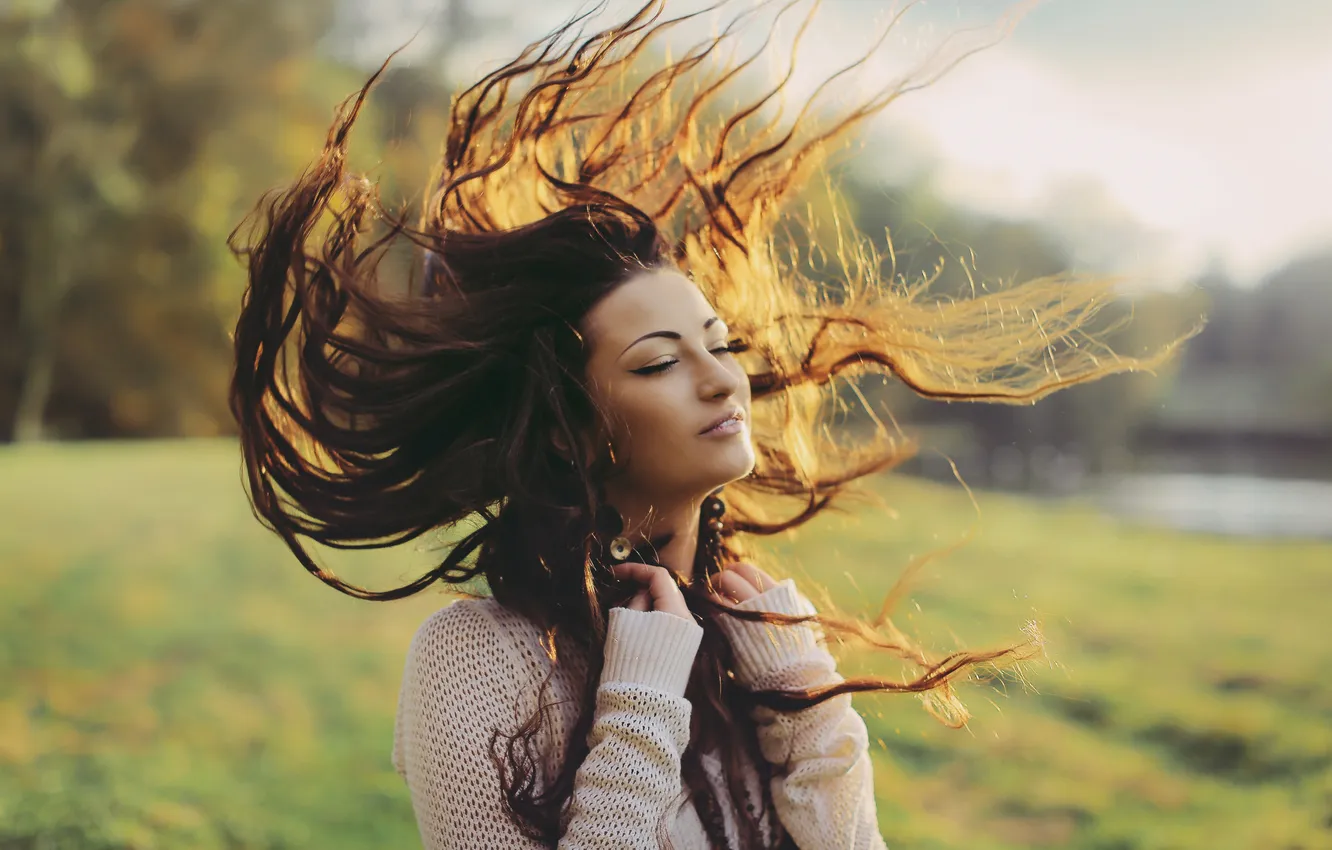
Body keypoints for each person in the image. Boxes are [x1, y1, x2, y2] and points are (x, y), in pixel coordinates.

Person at [227, 1, 1189, 847]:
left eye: (718, 343)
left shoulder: (758, 622)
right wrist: (640, 702)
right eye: (657, 361)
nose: (721, 380)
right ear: (568, 423)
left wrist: (808, 713)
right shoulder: (476, 662)